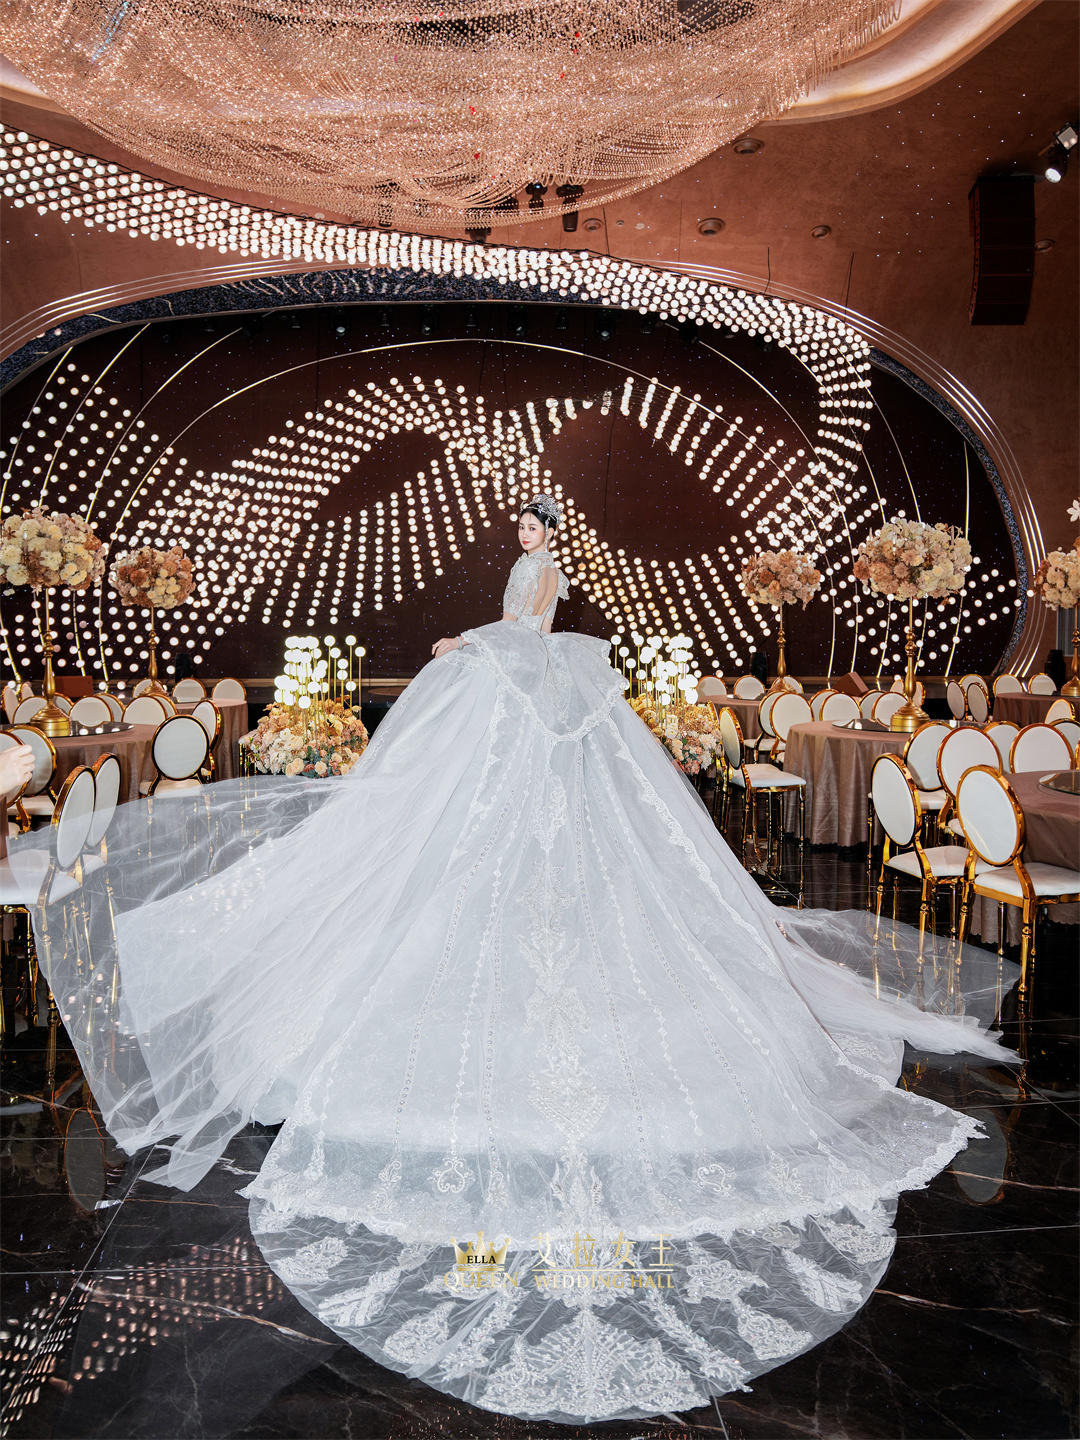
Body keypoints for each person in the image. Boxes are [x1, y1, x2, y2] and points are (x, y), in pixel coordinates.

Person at [10, 492, 1018, 1425]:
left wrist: (467, 643)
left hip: (526, 689)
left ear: (545, 535)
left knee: (527, 847)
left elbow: (524, 630)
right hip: (532, 696)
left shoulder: (538, 580)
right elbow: (526, 631)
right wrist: (480, 644)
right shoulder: (542, 577)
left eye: (534, 528)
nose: (527, 538)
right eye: (526, 531)